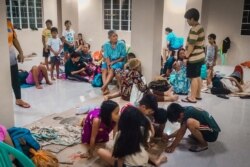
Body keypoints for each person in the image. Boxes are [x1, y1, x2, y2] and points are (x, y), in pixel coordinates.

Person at [97, 106, 167, 167]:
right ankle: (156, 161)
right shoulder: (144, 131)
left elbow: (120, 160)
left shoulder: (120, 136)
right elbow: (152, 134)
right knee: (141, 151)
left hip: (128, 164)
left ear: (122, 121)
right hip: (143, 161)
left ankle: (155, 161)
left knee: (100, 151)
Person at [182, 8, 205, 103]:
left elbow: (191, 45)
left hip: (194, 57)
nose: (187, 21)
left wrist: (186, 56)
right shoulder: (200, 27)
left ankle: (192, 97)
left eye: (187, 19)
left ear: (192, 19)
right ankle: (198, 95)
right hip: (200, 56)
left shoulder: (194, 30)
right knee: (198, 75)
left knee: (193, 77)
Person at [7, 19, 30, 108]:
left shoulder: (8, 23)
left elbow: (14, 38)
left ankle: (18, 99)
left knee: (15, 78)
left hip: (10, 55)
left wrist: (21, 52)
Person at [101, 30, 127, 95]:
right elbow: (106, 56)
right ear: (109, 37)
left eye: (116, 36)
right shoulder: (106, 45)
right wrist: (108, 65)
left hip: (119, 61)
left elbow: (123, 57)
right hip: (109, 61)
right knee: (104, 70)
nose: (116, 37)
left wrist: (113, 62)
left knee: (112, 69)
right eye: (113, 36)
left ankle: (103, 87)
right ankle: (106, 88)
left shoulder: (121, 44)